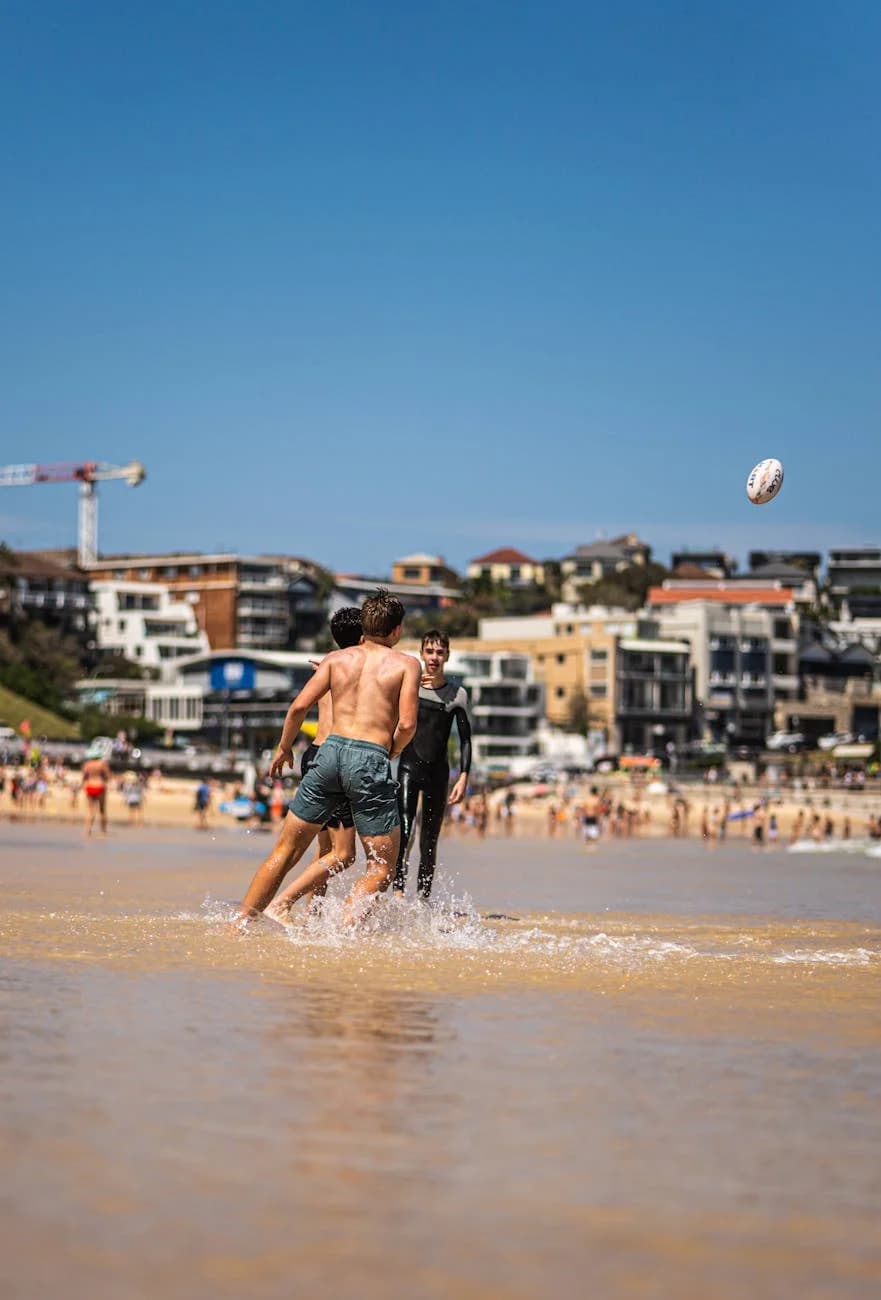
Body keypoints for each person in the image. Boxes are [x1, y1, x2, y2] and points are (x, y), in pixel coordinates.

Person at [235, 589, 420, 924]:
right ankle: (344, 932)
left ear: (365, 627)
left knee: (286, 850)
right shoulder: (406, 664)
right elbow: (407, 723)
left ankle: (239, 923)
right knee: (380, 866)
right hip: (369, 756)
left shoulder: (335, 660)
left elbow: (298, 707)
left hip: (329, 752)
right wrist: (391, 749)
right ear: (396, 630)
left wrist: (284, 747)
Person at [265, 607, 363, 921]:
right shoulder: (357, 669)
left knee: (324, 852)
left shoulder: (328, 666)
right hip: (335, 760)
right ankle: (284, 902)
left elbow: (299, 708)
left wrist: (284, 746)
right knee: (344, 855)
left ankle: (313, 916)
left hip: (314, 755)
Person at [391, 630, 472, 899]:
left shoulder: (457, 695)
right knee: (405, 830)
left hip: (438, 772)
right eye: (429, 651)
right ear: (421, 654)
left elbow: (465, 740)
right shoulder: (410, 687)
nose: (434, 657)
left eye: (440, 652)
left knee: (429, 840)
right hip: (408, 768)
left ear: (447, 655)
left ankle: (424, 898)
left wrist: (463, 777)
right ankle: (399, 892)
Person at [81, 747, 111, 837]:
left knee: (90, 810)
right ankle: (103, 830)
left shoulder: (87, 764)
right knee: (102, 809)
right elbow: (108, 776)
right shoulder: (102, 763)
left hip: (89, 786)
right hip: (100, 786)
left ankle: (87, 830)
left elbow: (84, 777)